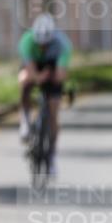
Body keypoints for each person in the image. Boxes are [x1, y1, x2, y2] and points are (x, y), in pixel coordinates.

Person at [18, 13, 72, 166]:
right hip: (35, 66)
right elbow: (29, 69)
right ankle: (25, 120)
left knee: (54, 110)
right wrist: (37, 77)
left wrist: (51, 76)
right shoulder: (27, 41)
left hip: (53, 67)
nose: (42, 46)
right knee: (23, 80)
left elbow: (61, 74)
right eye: (39, 43)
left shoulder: (63, 44)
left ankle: (53, 152)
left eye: (46, 44)